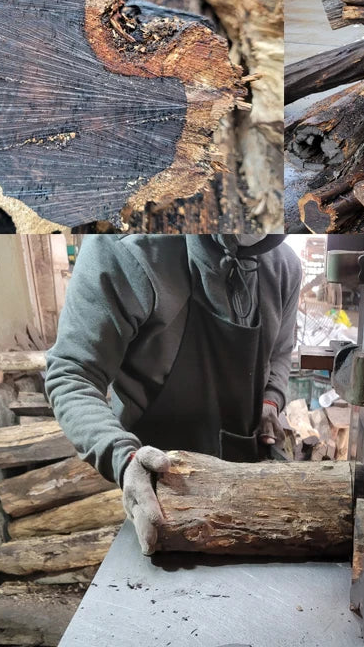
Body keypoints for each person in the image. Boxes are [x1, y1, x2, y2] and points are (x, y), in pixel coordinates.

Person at [45, 235, 302, 554]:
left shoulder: (285, 266)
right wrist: (122, 458)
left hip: (247, 492)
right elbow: (73, 373)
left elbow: (280, 351)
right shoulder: (125, 251)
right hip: (164, 497)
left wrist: (270, 402)